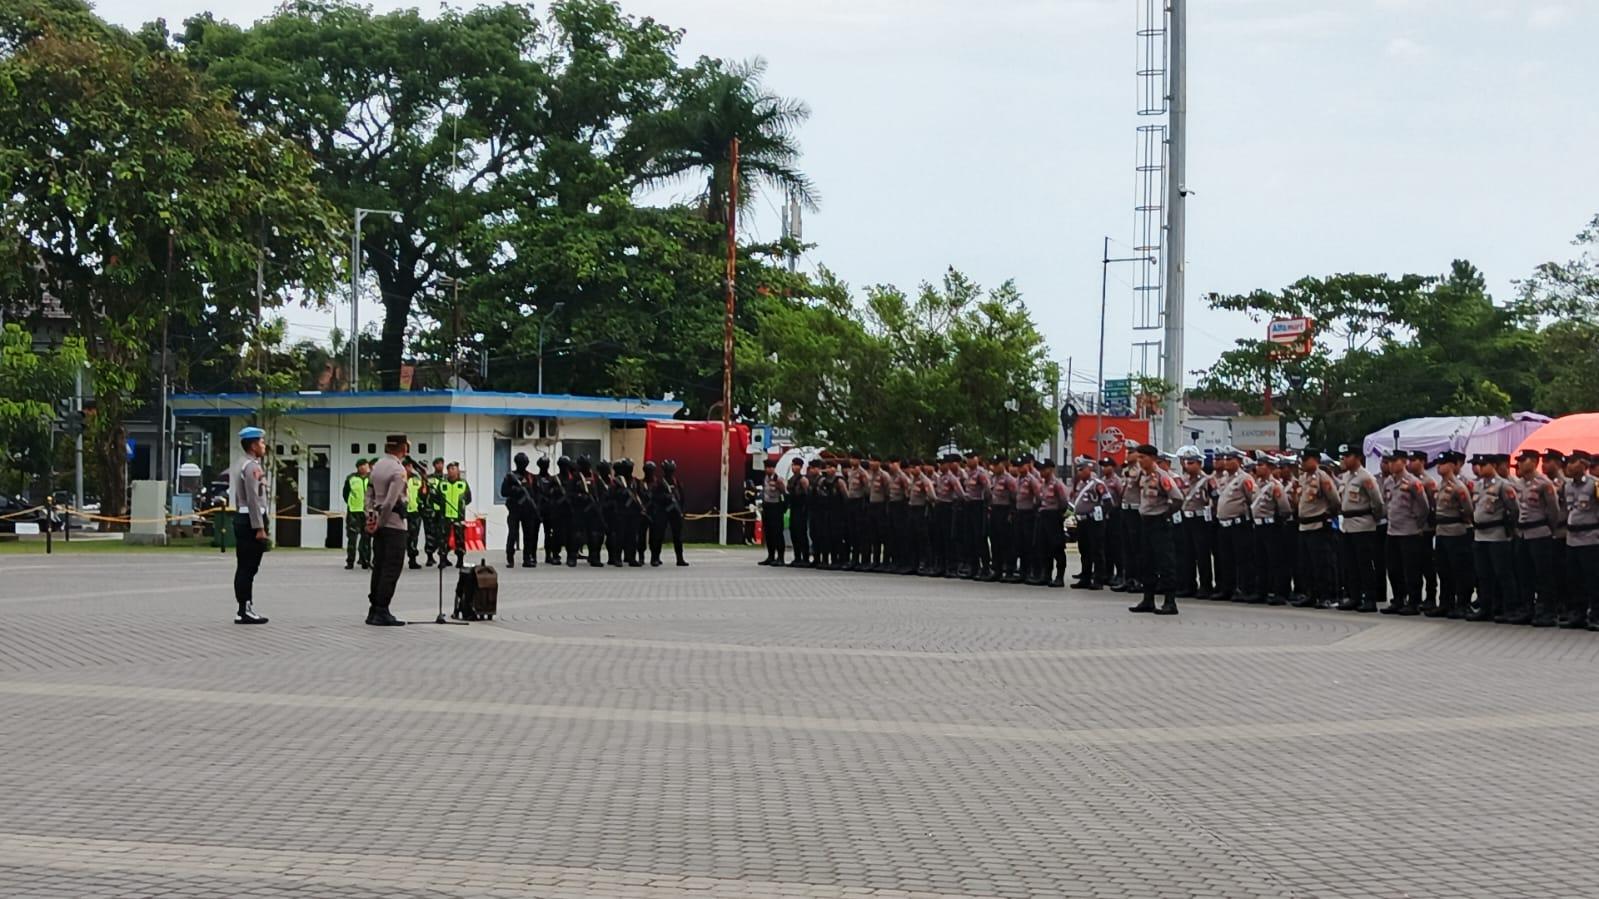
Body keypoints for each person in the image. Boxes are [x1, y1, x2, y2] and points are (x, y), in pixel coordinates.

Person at [1128, 444, 1182, 615]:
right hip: (1145, 522)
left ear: (1152, 458)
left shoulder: (1162, 476)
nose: (1140, 461)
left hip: (1159, 523)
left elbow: (1178, 498)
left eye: (1142, 457)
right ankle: (1148, 599)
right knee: (1146, 562)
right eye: (1138, 458)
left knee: (1165, 562)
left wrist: (1165, 514)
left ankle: (1170, 602)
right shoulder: (1142, 476)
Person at [363, 434, 411, 626]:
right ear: (403, 448)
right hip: (393, 525)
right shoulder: (398, 470)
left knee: (379, 567)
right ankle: (382, 609)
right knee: (391, 568)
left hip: (378, 524)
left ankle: (374, 609)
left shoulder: (377, 466)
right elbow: (391, 501)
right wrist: (381, 522)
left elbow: (369, 495)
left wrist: (371, 520)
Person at [1514, 448, 1563, 627]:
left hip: (1540, 533)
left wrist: (1549, 529)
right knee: (1524, 573)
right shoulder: (1519, 484)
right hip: (1523, 534)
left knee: (1543, 575)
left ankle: (1547, 611)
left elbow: (1554, 511)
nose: (1520, 463)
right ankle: (1527, 608)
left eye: (1524, 459)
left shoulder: (1544, 483)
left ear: (1534, 461)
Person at [1470, 454, 1520, 623]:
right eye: (1479, 465)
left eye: (1484, 464)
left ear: (1493, 465)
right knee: (1483, 575)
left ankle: (1509, 609)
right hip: (1480, 536)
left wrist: (1509, 529)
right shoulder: (1477, 485)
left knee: (1503, 574)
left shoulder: (1503, 486)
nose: (1480, 468)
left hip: (1497, 535)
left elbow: (1514, 510)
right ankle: (1486, 608)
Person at [229, 426, 271, 624]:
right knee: (248, 568)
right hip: (251, 521)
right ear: (254, 445)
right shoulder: (253, 467)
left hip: (242, 518)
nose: (264, 446)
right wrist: (259, 527)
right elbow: (254, 499)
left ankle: (243, 608)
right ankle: (244, 609)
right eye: (262, 442)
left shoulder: (241, 464)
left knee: (243, 567)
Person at [1336, 444, 1386, 613]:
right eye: (1343, 456)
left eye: (1348, 455)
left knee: (1365, 565)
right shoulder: (1346, 477)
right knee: (1351, 565)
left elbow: (1378, 503)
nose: (1344, 459)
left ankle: (1370, 599)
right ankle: (1355, 597)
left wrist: (1374, 519)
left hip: (1363, 525)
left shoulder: (1366, 478)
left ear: (1358, 457)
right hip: (1348, 526)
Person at [1382, 450, 1429, 616]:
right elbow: (1386, 504)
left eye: (1395, 461)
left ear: (1403, 462)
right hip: (1392, 531)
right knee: (1394, 569)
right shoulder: (1388, 482)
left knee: (1411, 569)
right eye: (1389, 461)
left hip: (1409, 531)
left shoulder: (1413, 482)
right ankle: (1398, 599)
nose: (1391, 464)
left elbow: (1424, 507)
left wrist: (1418, 524)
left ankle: (1414, 602)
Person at [1293, 447, 1342, 610]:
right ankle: (1311, 594)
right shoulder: (1303, 478)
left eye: (1306, 459)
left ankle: (1327, 596)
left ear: (1315, 460)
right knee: (1306, 564)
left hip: (1319, 526)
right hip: (1304, 526)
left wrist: (1327, 515)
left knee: (1323, 564)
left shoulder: (1323, 477)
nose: (1303, 462)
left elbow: (1335, 500)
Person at [1429, 451, 1475, 619]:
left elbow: (1468, 509)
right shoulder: (1440, 485)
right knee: (1443, 569)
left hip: (1456, 532)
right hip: (1441, 531)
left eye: (1442, 463)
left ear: (1451, 465)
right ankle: (1445, 603)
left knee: (1460, 570)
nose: (1439, 467)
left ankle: (1462, 603)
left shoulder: (1458, 486)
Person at [1559, 451, 1598, 631]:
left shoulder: (1594, 485)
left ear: (1583, 464)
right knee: (1574, 579)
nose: (1568, 466)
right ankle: (1578, 614)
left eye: (1572, 462)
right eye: (1567, 462)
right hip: (1572, 539)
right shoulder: (1567, 486)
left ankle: (1596, 615)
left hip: (1590, 539)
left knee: (1593, 579)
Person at [1248, 454, 1292, 606]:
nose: (1258, 468)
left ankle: (1279, 592)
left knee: (1276, 561)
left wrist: (1278, 521)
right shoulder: (1256, 485)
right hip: (1258, 526)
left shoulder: (1275, 486)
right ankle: (1262, 591)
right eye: (1258, 465)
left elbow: (1285, 508)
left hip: (1271, 526)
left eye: (1262, 465)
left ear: (1270, 468)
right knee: (1260, 560)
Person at [1212, 448, 1253, 602]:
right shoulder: (1224, 478)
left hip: (1239, 524)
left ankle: (1243, 588)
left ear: (1239, 461)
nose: (1227, 462)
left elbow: (1252, 499)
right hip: (1224, 524)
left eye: (1231, 459)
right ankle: (1226, 588)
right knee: (1225, 558)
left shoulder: (1245, 478)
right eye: (1225, 459)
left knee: (1241, 559)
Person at [1175, 446, 1216, 598]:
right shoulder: (1183, 480)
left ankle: (1205, 586)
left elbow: (1215, 499)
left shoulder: (1208, 481)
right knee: (1187, 553)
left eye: (1191, 462)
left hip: (1201, 520)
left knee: (1202, 554)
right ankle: (1188, 584)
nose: (1187, 465)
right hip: (1186, 518)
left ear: (1199, 463)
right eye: (1186, 462)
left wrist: (1211, 516)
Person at [1069, 456, 1112, 589]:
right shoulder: (1080, 484)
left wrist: (1098, 514)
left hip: (1094, 522)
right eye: (1078, 470)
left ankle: (1098, 579)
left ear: (1089, 469)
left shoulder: (1097, 484)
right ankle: (1085, 577)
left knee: (1096, 550)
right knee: (1084, 550)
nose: (1079, 472)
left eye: (1082, 469)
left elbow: (1108, 502)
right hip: (1082, 521)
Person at [1034, 458, 1070, 588]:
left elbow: (1063, 503)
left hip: (1053, 517)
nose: (1041, 472)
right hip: (1043, 517)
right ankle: (1046, 575)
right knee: (1043, 547)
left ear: (1050, 469)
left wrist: (1058, 516)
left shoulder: (1057, 484)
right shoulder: (1043, 484)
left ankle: (1059, 577)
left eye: (1044, 469)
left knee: (1057, 547)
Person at [500, 452, 540, 568]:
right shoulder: (510, 476)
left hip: (528, 511)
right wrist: (515, 490)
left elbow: (536, 494)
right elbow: (503, 492)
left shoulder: (531, 477)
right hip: (514, 510)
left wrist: (536, 507)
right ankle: (510, 558)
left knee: (528, 535)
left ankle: (527, 559)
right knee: (512, 534)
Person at [648, 459, 689, 567]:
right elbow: (654, 497)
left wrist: (682, 510)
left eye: (671, 470)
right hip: (663, 511)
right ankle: (655, 558)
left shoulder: (677, 482)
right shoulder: (659, 483)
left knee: (678, 536)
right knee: (659, 535)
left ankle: (680, 558)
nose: (670, 472)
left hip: (675, 512)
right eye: (668, 470)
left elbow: (682, 497)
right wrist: (665, 497)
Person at [984, 456, 1015, 582]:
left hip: (1005, 511)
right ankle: (997, 569)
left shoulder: (1009, 479)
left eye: (997, 464)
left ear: (1003, 464)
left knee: (1006, 542)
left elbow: (1014, 497)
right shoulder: (993, 478)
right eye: (993, 464)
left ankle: (1009, 570)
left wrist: (1011, 513)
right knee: (995, 541)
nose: (994, 467)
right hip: (994, 511)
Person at [1013, 456, 1041, 585]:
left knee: (1029, 544)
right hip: (1019, 513)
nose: (1020, 468)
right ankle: (1023, 571)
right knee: (1020, 543)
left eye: (1022, 466)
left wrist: (1034, 509)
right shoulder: (1018, 479)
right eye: (1018, 466)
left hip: (1029, 514)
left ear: (1027, 466)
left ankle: (1031, 570)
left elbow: (1039, 496)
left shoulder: (1032, 480)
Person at [438, 462, 472, 569]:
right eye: (449, 469)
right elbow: (436, 498)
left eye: (454, 468)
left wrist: (460, 507)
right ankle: (443, 560)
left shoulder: (463, 484)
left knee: (460, 539)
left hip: (458, 516)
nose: (451, 470)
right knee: (443, 538)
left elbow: (468, 498)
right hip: (445, 516)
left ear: (458, 471)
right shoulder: (443, 484)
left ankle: (460, 560)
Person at [887, 457, 915, 574]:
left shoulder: (903, 476)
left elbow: (908, 488)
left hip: (902, 507)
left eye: (893, 463)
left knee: (903, 535)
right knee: (895, 535)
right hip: (893, 506)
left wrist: (899, 471)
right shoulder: (892, 476)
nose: (890, 466)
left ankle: (907, 562)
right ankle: (897, 561)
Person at [343, 458, 372, 570]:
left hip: (368, 512)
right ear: (358, 467)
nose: (363, 467)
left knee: (366, 538)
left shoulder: (372, 478)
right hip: (354, 512)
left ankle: (365, 561)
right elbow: (345, 494)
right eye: (361, 466)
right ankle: (350, 561)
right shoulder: (351, 478)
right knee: (352, 538)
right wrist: (351, 503)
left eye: (365, 465)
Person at [758, 457, 787, 566]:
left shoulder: (778, 479)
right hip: (767, 506)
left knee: (777, 533)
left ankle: (780, 557)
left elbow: (784, 493)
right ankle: (770, 556)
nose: (768, 470)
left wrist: (783, 507)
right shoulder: (764, 477)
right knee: (769, 533)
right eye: (767, 467)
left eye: (770, 467)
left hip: (776, 506)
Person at [536, 456, 563, 564]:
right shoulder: (535, 479)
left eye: (546, 465)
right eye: (543, 465)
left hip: (549, 510)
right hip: (537, 509)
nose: (545, 467)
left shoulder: (553, 479)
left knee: (549, 534)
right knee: (533, 534)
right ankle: (531, 555)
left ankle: (549, 555)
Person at [788, 457, 812, 567]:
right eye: (793, 465)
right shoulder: (791, 479)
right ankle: (797, 557)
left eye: (796, 465)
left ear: (801, 467)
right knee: (794, 533)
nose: (794, 467)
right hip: (793, 508)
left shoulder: (803, 480)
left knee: (801, 533)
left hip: (802, 509)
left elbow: (808, 495)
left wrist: (806, 509)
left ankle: (805, 558)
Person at [403, 458, 426, 570]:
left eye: (410, 466)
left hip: (414, 511)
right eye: (407, 466)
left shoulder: (416, 479)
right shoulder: (399, 478)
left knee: (413, 537)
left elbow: (423, 493)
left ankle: (412, 559)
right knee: (400, 537)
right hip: (401, 512)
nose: (409, 468)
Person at [424, 457, 447, 566]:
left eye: (441, 463)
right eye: (437, 464)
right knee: (430, 534)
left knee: (443, 535)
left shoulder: (446, 479)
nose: (439, 466)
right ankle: (429, 556)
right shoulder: (429, 478)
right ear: (434, 466)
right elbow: (424, 493)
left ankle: (444, 556)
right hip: (431, 510)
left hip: (443, 511)